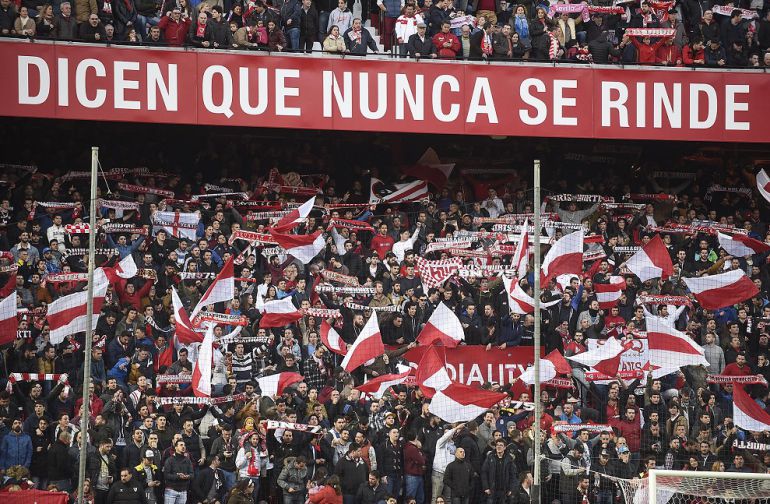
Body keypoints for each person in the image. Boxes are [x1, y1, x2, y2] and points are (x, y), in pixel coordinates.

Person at [163, 440, 194, 504]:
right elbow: (166, 475)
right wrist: (178, 476)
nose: (183, 447)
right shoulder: (169, 460)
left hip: (183, 491)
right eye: (181, 445)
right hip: (171, 490)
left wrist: (187, 476)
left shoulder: (188, 460)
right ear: (176, 447)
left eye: (184, 445)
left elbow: (192, 474)